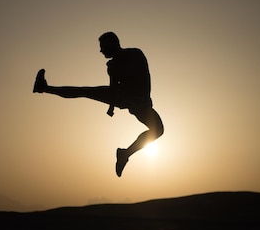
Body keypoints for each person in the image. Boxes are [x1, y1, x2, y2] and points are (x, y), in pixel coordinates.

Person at [33, 31, 164, 177]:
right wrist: (112, 106)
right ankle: (44, 88)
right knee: (84, 91)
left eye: (102, 46)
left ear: (112, 44)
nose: (100, 50)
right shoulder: (114, 64)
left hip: (137, 102)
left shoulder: (134, 54)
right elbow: (113, 87)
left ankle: (125, 153)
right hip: (129, 99)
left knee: (158, 130)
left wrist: (139, 99)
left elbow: (143, 75)